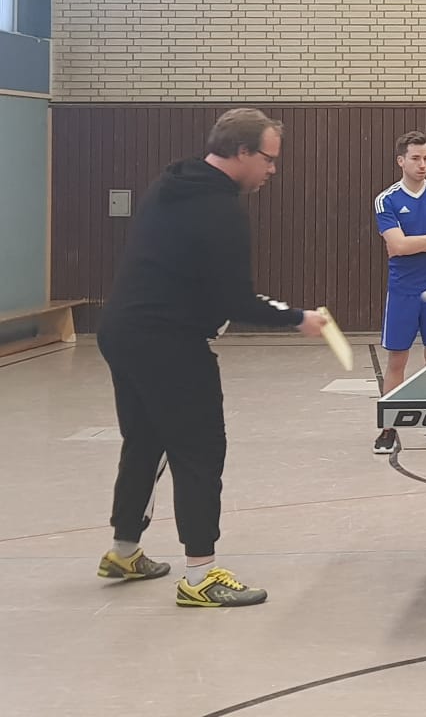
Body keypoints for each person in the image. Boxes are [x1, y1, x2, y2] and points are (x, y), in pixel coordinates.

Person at [95, 108, 327, 608]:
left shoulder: (170, 184)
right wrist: (298, 318)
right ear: (242, 152)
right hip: (168, 343)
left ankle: (123, 550)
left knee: (146, 440)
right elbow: (235, 300)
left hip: (121, 331)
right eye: (268, 159)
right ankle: (200, 574)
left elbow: (187, 273)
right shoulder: (221, 211)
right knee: (199, 449)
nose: (272, 170)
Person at [372, 131, 426, 454]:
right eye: (415, 158)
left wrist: (411, 244)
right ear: (401, 161)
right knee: (397, 359)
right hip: (403, 291)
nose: (422, 164)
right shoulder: (387, 200)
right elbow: (397, 246)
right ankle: (388, 430)